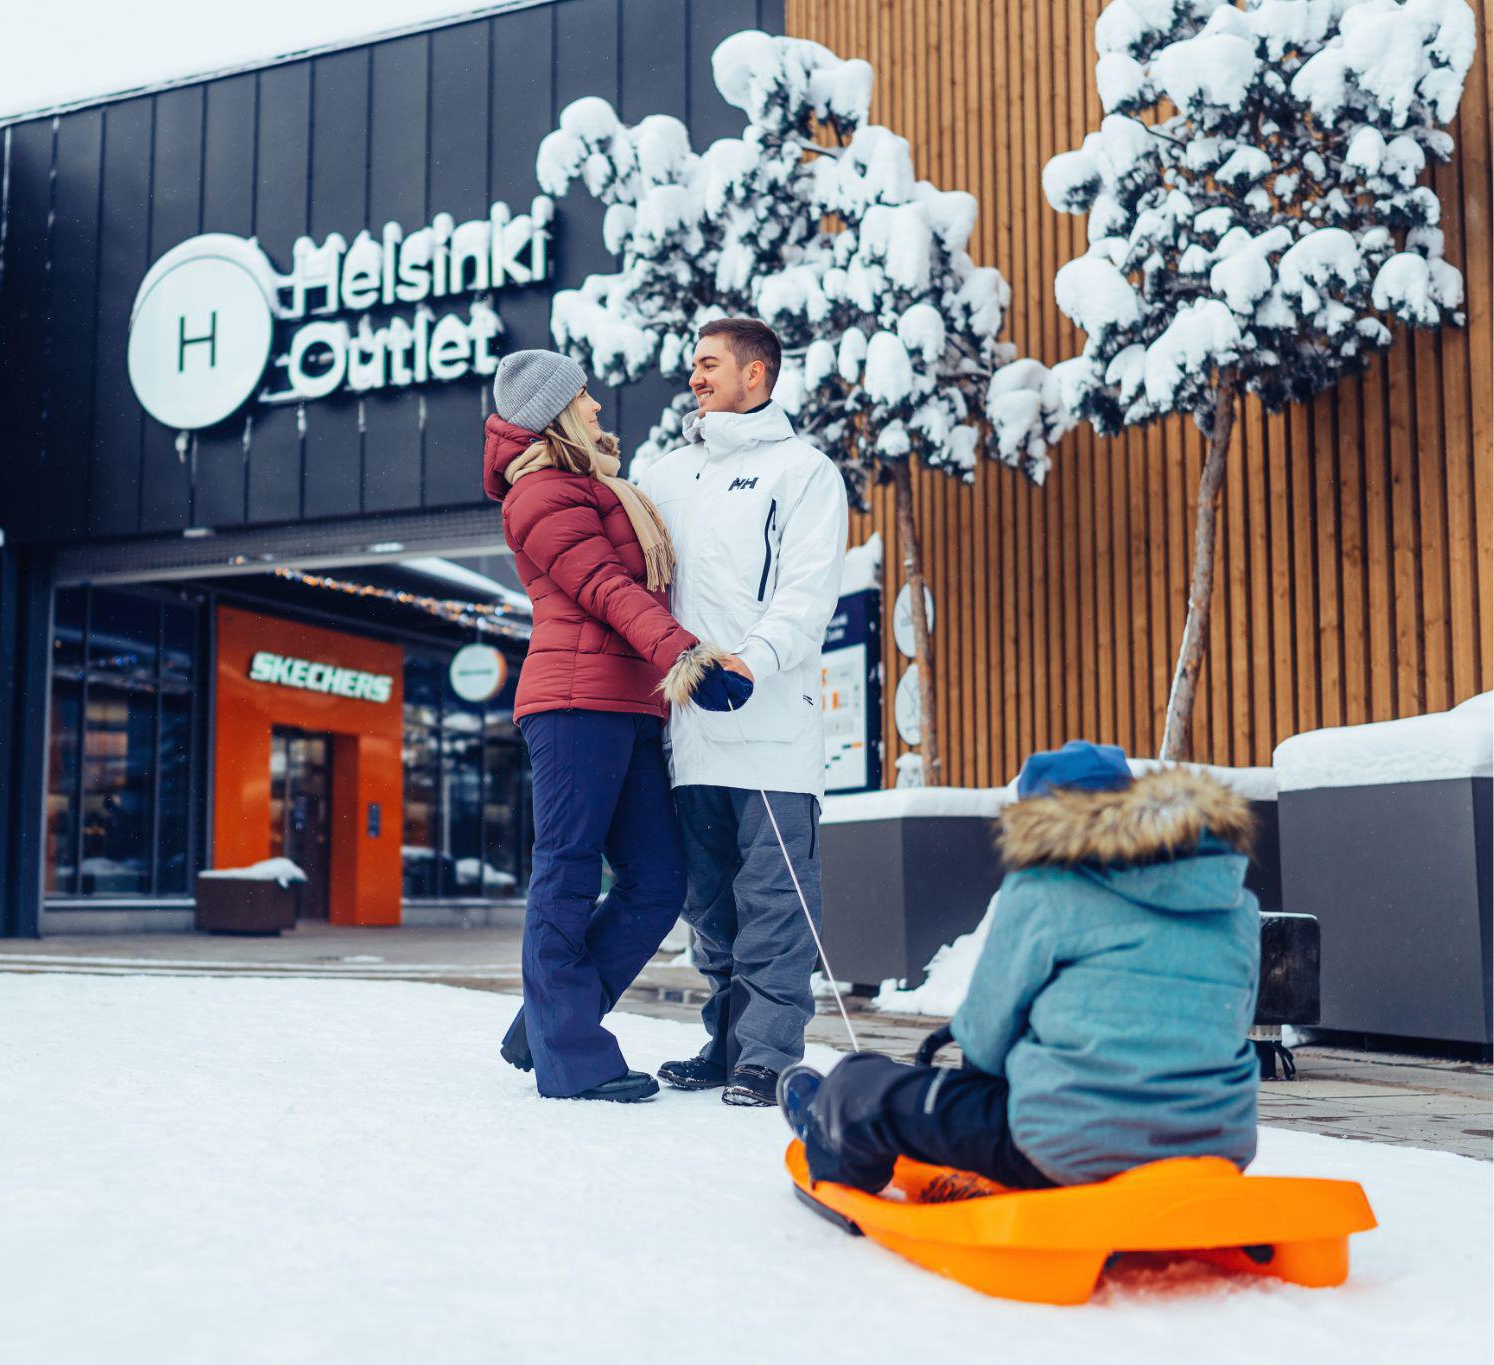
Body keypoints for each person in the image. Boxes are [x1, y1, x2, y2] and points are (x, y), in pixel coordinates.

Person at [778, 742, 1263, 1192]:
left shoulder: (1046, 887)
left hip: (1072, 1146)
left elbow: (986, 1040)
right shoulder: (1231, 900)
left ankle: (835, 1135)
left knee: (867, 1083)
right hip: (1216, 1144)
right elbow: (1227, 1021)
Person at [484, 348, 716, 1103]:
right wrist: (681, 652)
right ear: (554, 411)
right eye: (582, 398)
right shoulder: (542, 492)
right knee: (569, 871)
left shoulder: (590, 484)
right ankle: (574, 1057)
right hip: (573, 703)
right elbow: (605, 586)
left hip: (627, 702)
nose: (595, 408)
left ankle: (549, 1021)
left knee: (658, 880)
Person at [636, 317, 850, 1107]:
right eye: (694, 364)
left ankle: (767, 1052)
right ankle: (725, 1042)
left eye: (709, 363)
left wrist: (750, 660)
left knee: (774, 901)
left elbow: (806, 593)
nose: (695, 376)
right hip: (691, 733)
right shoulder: (666, 476)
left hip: (770, 731)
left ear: (755, 375)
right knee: (709, 906)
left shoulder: (802, 472)